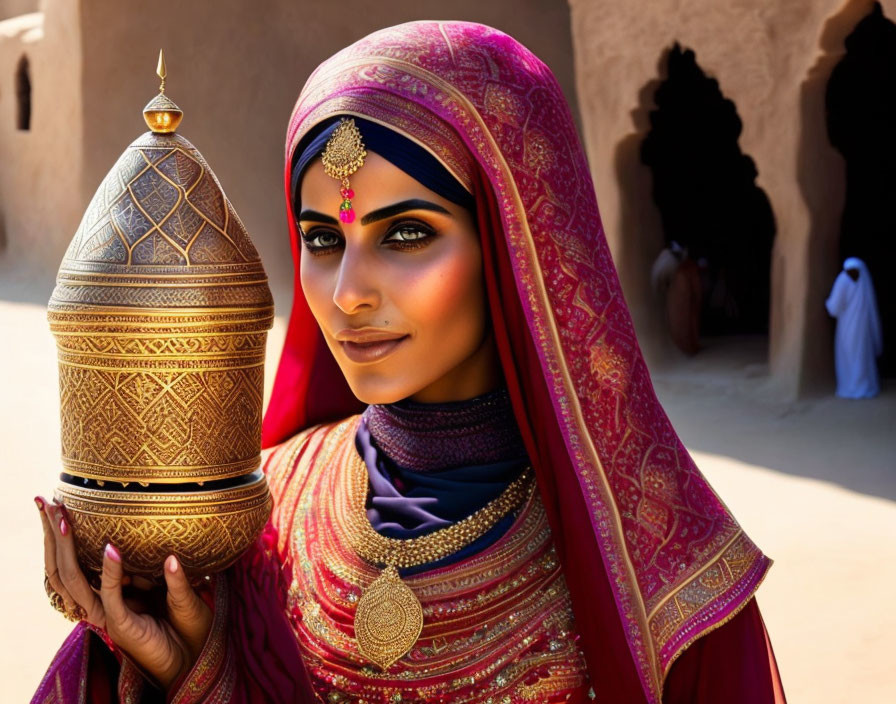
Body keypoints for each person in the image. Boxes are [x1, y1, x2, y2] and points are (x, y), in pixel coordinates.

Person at [33, 21, 786, 703]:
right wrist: (189, 673)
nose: (349, 294)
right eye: (323, 240)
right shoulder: (264, 519)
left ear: (513, 241)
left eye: (406, 236)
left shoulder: (660, 580)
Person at [825, 257, 883, 399]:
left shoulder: (843, 280)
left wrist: (827, 302)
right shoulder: (864, 281)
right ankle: (864, 387)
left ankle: (851, 388)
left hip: (847, 329)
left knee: (849, 357)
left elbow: (834, 307)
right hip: (863, 328)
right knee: (861, 356)